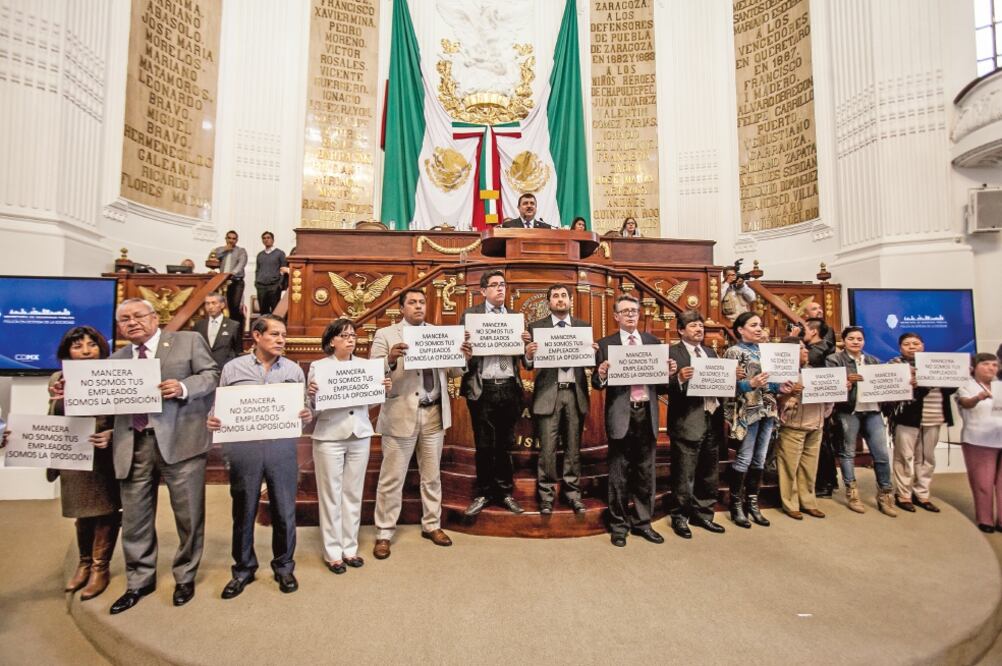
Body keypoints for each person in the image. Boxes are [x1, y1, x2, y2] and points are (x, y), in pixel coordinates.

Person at [107, 298, 219, 614]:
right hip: (133, 444)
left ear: (154, 317)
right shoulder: (115, 359)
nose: (132, 322)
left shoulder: (187, 341)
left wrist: (183, 387)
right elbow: (101, 402)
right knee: (135, 518)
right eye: (124, 319)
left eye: (138, 315)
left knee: (188, 515)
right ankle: (139, 581)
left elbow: (211, 374)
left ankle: (185, 576)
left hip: (181, 442)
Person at [209, 315, 311, 599]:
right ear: (256, 335)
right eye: (275, 334)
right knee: (243, 511)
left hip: (282, 450)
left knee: (284, 511)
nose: (281, 340)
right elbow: (219, 407)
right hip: (245, 450)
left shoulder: (293, 369)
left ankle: (284, 566)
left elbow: (305, 407)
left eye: (284, 335)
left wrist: (306, 413)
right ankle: (242, 569)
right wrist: (213, 420)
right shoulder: (233, 368)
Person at [369, 289, 471, 559]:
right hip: (401, 412)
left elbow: (454, 370)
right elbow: (372, 371)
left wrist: (464, 357)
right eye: (412, 302)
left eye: (422, 302)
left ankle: (432, 524)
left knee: (431, 475)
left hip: (434, 412)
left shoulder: (439, 333)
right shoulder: (386, 335)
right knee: (392, 477)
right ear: (402, 308)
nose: (418, 306)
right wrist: (390, 358)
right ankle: (384, 532)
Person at [42, 327, 121, 599]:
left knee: (105, 511)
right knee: (81, 514)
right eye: (78, 346)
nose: (86, 351)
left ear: (101, 349)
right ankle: (84, 563)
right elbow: (52, 418)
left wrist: (112, 434)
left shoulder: (113, 374)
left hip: (102, 453)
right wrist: (57, 399)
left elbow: (124, 416)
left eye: (92, 345)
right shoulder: (57, 378)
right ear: (67, 352)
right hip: (73, 454)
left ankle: (100, 568)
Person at [593, 294, 677, 547]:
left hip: (647, 413)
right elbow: (597, 384)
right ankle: (619, 526)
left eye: (634, 311)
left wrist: (670, 374)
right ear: (616, 316)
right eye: (625, 311)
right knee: (618, 473)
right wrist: (601, 373)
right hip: (621, 414)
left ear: (639, 315)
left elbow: (661, 387)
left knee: (645, 472)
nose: (631, 314)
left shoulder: (653, 342)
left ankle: (643, 523)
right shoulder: (605, 344)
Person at [308, 319, 391, 572]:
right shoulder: (319, 367)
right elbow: (313, 407)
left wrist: (383, 390)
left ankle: (349, 548)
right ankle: (333, 552)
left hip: (360, 434)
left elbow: (370, 403)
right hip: (329, 436)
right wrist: (312, 395)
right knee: (331, 494)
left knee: (353, 493)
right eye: (344, 336)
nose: (351, 339)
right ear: (332, 340)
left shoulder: (368, 366)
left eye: (353, 335)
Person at [524, 284, 594, 516]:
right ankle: (546, 496)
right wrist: (529, 354)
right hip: (548, 394)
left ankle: (573, 494)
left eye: (564, 296)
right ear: (549, 302)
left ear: (570, 300)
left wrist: (592, 352)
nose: (560, 300)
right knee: (547, 449)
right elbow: (527, 364)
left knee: (573, 449)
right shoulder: (536, 328)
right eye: (555, 296)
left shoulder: (583, 327)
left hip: (574, 393)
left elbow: (591, 361)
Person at [461, 270, 526, 516]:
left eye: (503, 285)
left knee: (506, 444)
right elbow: (461, 355)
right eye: (495, 285)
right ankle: (484, 493)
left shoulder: (515, 317)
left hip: (509, 386)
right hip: (483, 387)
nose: (501, 289)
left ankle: (505, 493)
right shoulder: (470, 316)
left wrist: (526, 347)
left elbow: (525, 360)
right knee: (485, 445)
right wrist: (464, 349)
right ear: (483, 290)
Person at [724, 312, 794, 528]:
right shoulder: (733, 352)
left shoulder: (766, 351)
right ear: (740, 330)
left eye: (760, 325)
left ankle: (752, 502)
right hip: (747, 410)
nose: (758, 329)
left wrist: (779, 387)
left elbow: (769, 383)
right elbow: (727, 385)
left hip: (767, 408)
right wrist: (749, 384)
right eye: (753, 325)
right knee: (745, 457)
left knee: (761, 457)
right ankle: (736, 504)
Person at [666, 310, 726, 538]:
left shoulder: (710, 353)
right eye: (693, 326)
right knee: (684, 474)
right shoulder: (672, 353)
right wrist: (679, 378)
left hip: (712, 419)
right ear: (681, 330)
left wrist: (733, 377)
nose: (699, 329)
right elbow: (662, 385)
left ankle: (704, 515)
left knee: (708, 472)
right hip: (687, 421)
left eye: (701, 326)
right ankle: (680, 517)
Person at [826, 326, 897, 517]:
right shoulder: (835, 359)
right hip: (849, 410)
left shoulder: (873, 360)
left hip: (873, 410)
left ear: (864, 341)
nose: (856, 342)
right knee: (847, 452)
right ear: (844, 341)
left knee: (881, 454)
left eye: (859, 339)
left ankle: (884, 494)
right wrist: (845, 382)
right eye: (851, 338)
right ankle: (852, 492)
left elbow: (885, 382)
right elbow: (830, 384)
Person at [887, 332, 955, 513]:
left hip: (934, 417)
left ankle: (922, 494)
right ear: (900, 348)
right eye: (907, 344)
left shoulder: (937, 363)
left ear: (923, 345)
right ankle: (903, 495)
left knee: (926, 458)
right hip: (907, 418)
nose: (912, 347)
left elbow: (951, 388)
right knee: (904, 456)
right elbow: (891, 391)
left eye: (916, 343)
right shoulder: (895, 365)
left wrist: (958, 374)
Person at [775, 337, 826, 520]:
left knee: (809, 466)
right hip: (793, 425)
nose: (806, 351)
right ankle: (790, 503)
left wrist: (839, 389)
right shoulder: (781, 375)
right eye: (801, 348)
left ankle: (808, 501)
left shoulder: (814, 372)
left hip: (816, 423)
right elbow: (776, 400)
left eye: (805, 348)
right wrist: (789, 393)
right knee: (789, 466)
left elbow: (828, 398)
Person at [956, 353, 1002, 532]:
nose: (991, 368)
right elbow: (965, 403)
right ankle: (986, 519)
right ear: (974, 367)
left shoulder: (1000, 386)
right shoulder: (965, 386)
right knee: (983, 482)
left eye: (994, 365)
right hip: (978, 440)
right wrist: (978, 397)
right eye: (986, 364)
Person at [192, 292, 242, 369]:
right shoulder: (199, 325)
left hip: (225, 368)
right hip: (204, 368)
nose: (210, 307)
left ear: (222, 305)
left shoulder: (233, 325)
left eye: (213, 303)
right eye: (207, 304)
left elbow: (238, 350)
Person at [212, 230, 248, 331]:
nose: (231, 240)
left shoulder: (241, 250)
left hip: (236, 281)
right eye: (229, 238)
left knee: (235, 307)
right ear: (226, 239)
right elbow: (213, 257)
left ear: (237, 240)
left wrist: (232, 273)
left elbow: (241, 264)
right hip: (222, 283)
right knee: (223, 306)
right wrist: (225, 249)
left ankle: (238, 330)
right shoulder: (220, 250)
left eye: (234, 238)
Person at [255, 231, 288, 315]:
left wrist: (279, 285)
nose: (266, 240)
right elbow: (257, 270)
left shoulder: (280, 253)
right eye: (264, 238)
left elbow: (283, 270)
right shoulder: (260, 255)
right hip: (261, 286)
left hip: (274, 286)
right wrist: (257, 283)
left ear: (273, 240)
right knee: (263, 310)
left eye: (268, 238)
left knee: (275, 310)